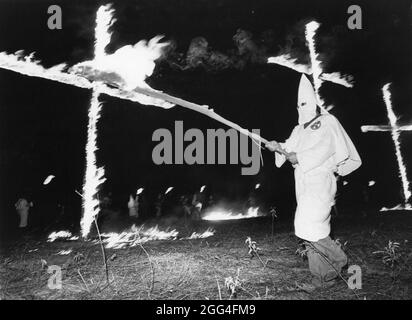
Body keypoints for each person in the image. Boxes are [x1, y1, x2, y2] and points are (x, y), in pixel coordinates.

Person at [266, 74, 362, 287]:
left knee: (307, 224)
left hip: (320, 182)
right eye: (298, 105)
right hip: (303, 184)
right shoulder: (298, 129)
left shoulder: (327, 122)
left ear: (315, 104)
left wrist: (298, 157)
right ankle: (331, 267)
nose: (302, 107)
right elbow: (288, 148)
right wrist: (276, 147)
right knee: (309, 228)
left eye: (305, 103)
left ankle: (330, 268)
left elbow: (324, 147)